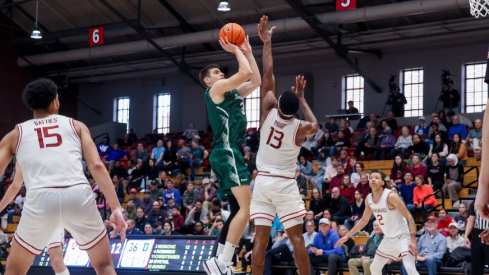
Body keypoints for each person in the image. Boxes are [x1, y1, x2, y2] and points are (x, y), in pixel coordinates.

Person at [0, 78, 126, 275]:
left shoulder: (16, 134)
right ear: (54, 102)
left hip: (40, 200)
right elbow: (96, 166)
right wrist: (116, 207)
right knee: (104, 265)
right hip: (77, 195)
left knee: (14, 269)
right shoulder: (76, 125)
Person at [250, 16, 317, 275]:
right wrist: (302, 98)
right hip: (284, 184)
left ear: (278, 103)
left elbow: (268, 73)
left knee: (260, 239)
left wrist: (266, 42)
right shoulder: (299, 129)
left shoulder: (267, 111)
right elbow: (316, 125)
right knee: (297, 238)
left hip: (263, 182)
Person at [201, 14, 261, 274]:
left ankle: (218, 261)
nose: (221, 73)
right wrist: (236, 48)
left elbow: (255, 80)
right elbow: (244, 71)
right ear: (207, 80)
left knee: (238, 209)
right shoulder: (214, 91)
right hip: (227, 152)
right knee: (247, 209)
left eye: (220, 71)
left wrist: (248, 50)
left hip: (230, 152)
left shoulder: (232, 92)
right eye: (216, 72)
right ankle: (222, 262)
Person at [335, 170, 419, 275]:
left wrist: (413, 240)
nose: (373, 180)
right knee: (374, 268)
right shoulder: (369, 199)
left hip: (402, 236)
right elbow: (364, 220)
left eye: (376, 178)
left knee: (410, 268)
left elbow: (409, 217)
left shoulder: (391, 196)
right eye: (371, 178)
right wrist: (347, 236)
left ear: (383, 182)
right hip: (389, 239)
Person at [464, 201, 489, 274]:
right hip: (477, 234)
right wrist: (466, 236)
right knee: (476, 265)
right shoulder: (475, 202)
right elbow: (471, 220)